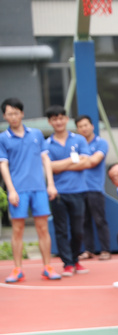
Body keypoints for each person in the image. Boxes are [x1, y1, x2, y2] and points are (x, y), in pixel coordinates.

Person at [0, 97, 60, 283]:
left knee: (43, 228)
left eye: (16, 113)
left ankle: (47, 267)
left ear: (22, 113)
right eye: (10, 114)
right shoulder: (3, 138)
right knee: (17, 230)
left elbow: (45, 159)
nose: (13, 116)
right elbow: (3, 165)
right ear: (5, 116)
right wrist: (11, 190)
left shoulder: (36, 134)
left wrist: (50, 184)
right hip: (18, 190)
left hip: (39, 189)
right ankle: (17, 269)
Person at [45, 105, 91, 276]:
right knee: (61, 230)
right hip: (58, 193)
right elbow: (49, 167)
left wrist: (59, 165)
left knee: (78, 230)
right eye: (54, 119)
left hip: (78, 191)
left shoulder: (79, 139)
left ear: (66, 119)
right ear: (50, 122)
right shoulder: (46, 144)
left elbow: (86, 162)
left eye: (61, 118)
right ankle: (68, 263)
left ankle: (75, 258)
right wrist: (73, 161)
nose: (58, 122)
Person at [75, 114, 111, 261]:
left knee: (99, 220)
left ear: (92, 126)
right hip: (79, 189)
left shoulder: (101, 143)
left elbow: (95, 161)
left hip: (95, 188)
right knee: (84, 221)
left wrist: (78, 161)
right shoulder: (76, 145)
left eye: (86, 125)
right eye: (80, 126)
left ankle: (105, 250)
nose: (83, 128)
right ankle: (88, 250)